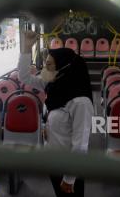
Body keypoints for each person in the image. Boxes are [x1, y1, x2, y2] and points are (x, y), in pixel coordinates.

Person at [18, 31, 93, 197]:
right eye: (45, 63)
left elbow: (80, 144)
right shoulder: (54, 84)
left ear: (64, 67)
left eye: (49, 65)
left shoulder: (80, 102)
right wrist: (26, 48)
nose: (45, 68)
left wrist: (69, 179)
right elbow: (24, 77)